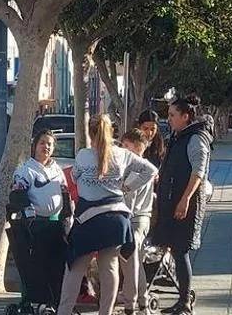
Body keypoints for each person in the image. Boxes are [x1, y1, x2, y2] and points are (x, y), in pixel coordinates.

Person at [55, 114, 157, 315]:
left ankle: (63, 311)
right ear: (111, 131)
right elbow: (150, 170)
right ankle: (106, 312)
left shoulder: (83, 155)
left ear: (90, 132)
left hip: (89, 219)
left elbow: (74, 177)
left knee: (75, 267)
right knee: (109, 267)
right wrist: (127, 186)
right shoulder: (122, 154)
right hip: (116, 219)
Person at [151, 95, 214, 315]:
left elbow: (198, 172)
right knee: (175, 250)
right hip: (171, 201)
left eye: (172, 115)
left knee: (181, 250)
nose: (168, 119)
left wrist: (185, 199)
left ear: (185, 117)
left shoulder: (196, 138)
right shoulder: (178, 137)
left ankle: (185, 301)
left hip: (185, 204)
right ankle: (181, 299)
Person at [9, 130, 69, 309]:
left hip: (57, 225)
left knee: (57, 268)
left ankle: (55, 304)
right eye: (43, 143)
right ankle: (34, 303)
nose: (46, 147)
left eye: (50, 144)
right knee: (36, 268)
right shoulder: (25, 170)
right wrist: (28, 214)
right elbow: (17, 195)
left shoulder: (57, 169)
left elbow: (66, 196)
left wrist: (68, 217)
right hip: (36, 227)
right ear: (35, 146)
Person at [118, 129, 154, 315]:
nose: (122, 150)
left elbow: (128, 198)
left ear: (138, 147)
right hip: (133, 217)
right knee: (135, 262)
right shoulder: (128, 167)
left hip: (137, 218)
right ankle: (142, 300)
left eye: (126, 146)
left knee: (130, 259)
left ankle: (132, 302)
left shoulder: (141, 169)